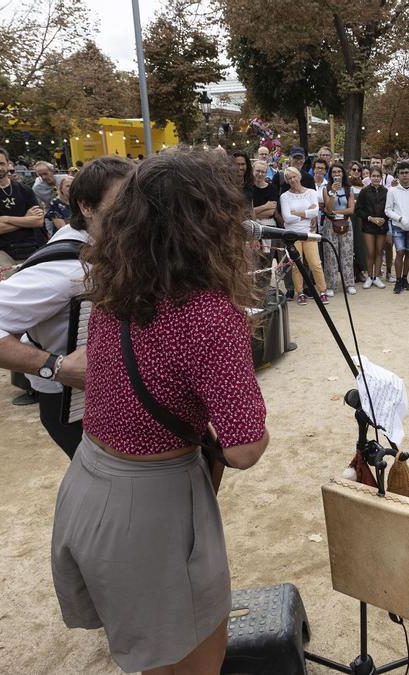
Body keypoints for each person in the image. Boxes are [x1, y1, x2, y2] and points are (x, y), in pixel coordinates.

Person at [52, 149, 269, 675]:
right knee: (189, 661)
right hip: (152, 508)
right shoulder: (208, 313)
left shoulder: (114, 284)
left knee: (147, 653)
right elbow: (242, 448)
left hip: (89, 482)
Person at [0, 157, 136, 457]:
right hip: (73, 407)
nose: (136, 211)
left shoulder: (112, 245)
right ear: (86, 206)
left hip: (115, 399)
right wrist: (52, 366)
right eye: (123, 201)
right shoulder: (66, 268)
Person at [0, 147, 48, 284]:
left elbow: (38, 221)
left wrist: (7, 219)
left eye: (2, 163)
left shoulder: (24, 190)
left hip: (30, 249)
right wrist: (26, 219)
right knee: (6, 296)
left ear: (8, 164)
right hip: (1, 253)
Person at [279, 166, 327, 305]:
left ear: (299, 176)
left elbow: (315, 212)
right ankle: (300, 293)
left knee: (315, 263)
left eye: (294, 176)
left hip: (308, 233)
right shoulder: (285, 196)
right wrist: (306, 213)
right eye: (289, 178)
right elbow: (287, 218)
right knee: (296, 265)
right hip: (292, 235)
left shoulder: (311, 192)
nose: (293, 180)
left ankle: (322, 291)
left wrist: (296, 213)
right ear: (287, 181)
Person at [384, 162, 409, 294]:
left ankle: (405, 279)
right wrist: (399, 218)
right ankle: (398, 280)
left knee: (408, 252)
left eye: (407, 172)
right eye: (402, 173)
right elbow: (388, 210)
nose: (405, 175)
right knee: (400, 252)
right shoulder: (392, 191)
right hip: (398, 226)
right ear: (398, 175)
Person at [322, 163, 357, 295]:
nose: (337, 174)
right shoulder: (326, 188)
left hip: (346, 222)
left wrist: (336, 212)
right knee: (330, 254)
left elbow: (351, 209)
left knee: (347, 254)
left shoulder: (349, 189)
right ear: (330, 174)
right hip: (330, 224)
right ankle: (330, 285)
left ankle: (349, 283)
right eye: (334, 172)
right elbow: (328, 208)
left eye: (339, 172)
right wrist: (333, 193)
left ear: (343, 173)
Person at [357, 166, 389, 289]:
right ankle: (370, 276)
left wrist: (384, 219)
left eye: (378, 176)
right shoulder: (364, 191)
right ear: (370, 177)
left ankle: (377, 277)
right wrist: (370, 218)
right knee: (370, 251)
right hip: (368, 225)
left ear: (381, 177)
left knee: (379, 251)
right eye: (373, 176)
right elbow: (359, 209)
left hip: (382, 225)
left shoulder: (386, 191)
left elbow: (390, 208)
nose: (376, 178)